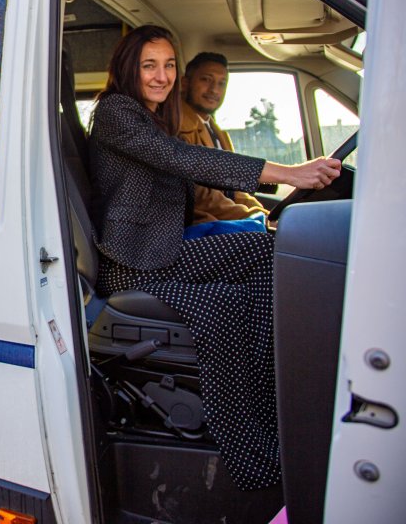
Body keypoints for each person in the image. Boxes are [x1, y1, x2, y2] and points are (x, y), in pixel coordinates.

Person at [86, 25, 340, 491]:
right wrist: (288, 173)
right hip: (131, 261)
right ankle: (256, 443)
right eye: (149, 65)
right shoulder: (116, 112)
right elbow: (183, 159)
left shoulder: (152, 115)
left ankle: (270, 408)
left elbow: (187, 176)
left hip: (162, 251)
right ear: (128, 68)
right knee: (234, 290)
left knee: (263, 258)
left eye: (168, 65)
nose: (162, 76)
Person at [179, 52, 268, 237]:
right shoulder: (179, 129)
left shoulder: (217, 132)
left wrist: (265, 215)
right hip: (203, 229)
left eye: (222, 83)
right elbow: (201, 197)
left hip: (224, 221)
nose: (214, 90)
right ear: (185, 83)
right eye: (206, 80)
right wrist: (253, 218)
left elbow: (235, 191)